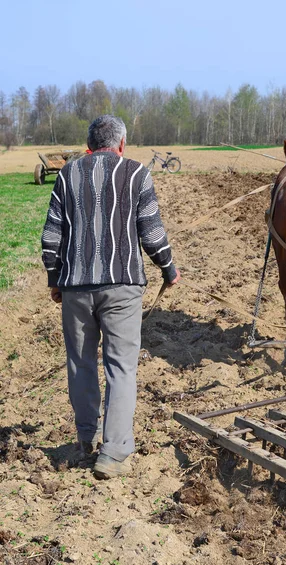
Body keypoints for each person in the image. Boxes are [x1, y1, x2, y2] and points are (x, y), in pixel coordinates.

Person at [41, 115, 181, 479]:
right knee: (121, 367)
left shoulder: (67, 175)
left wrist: (56, 278)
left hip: (75, 287)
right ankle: (114, 452)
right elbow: (151, 233)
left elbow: (51, 236)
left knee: (81, 364)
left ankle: (85, 439)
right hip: (122, 286)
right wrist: (168, 269)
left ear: (90, 144)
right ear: (121, 144)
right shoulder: (137, 173)